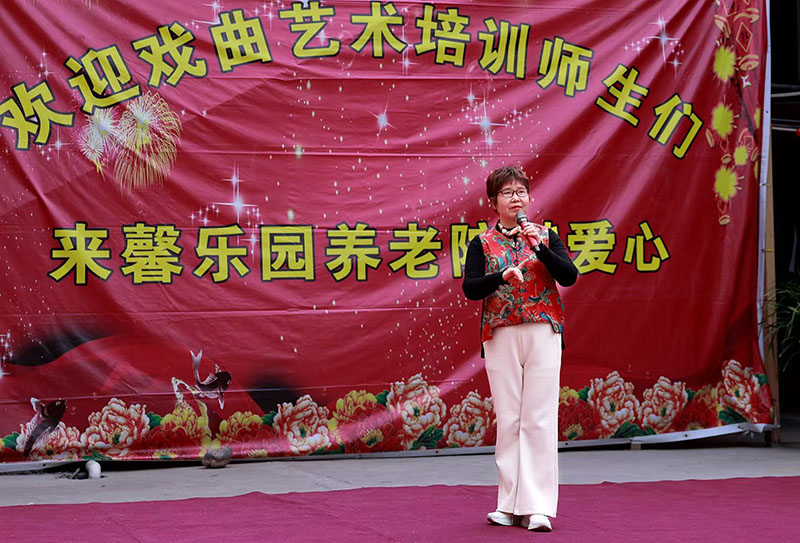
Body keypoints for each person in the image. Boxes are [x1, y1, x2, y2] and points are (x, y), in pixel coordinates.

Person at [462, 166, 578, 532]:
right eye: (507, 192)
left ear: (529, 197)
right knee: (510, 419)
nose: (516, 198)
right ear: (493, 201)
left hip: (543, 330)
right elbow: (471, 288)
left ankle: (537, 507)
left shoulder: (545, 235)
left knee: (538, 419)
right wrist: (500, 277)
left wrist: (539, 248)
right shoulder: (481, 242)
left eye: (521, 192)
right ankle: (509, 505)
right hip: (500, 333)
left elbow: (568, 275)